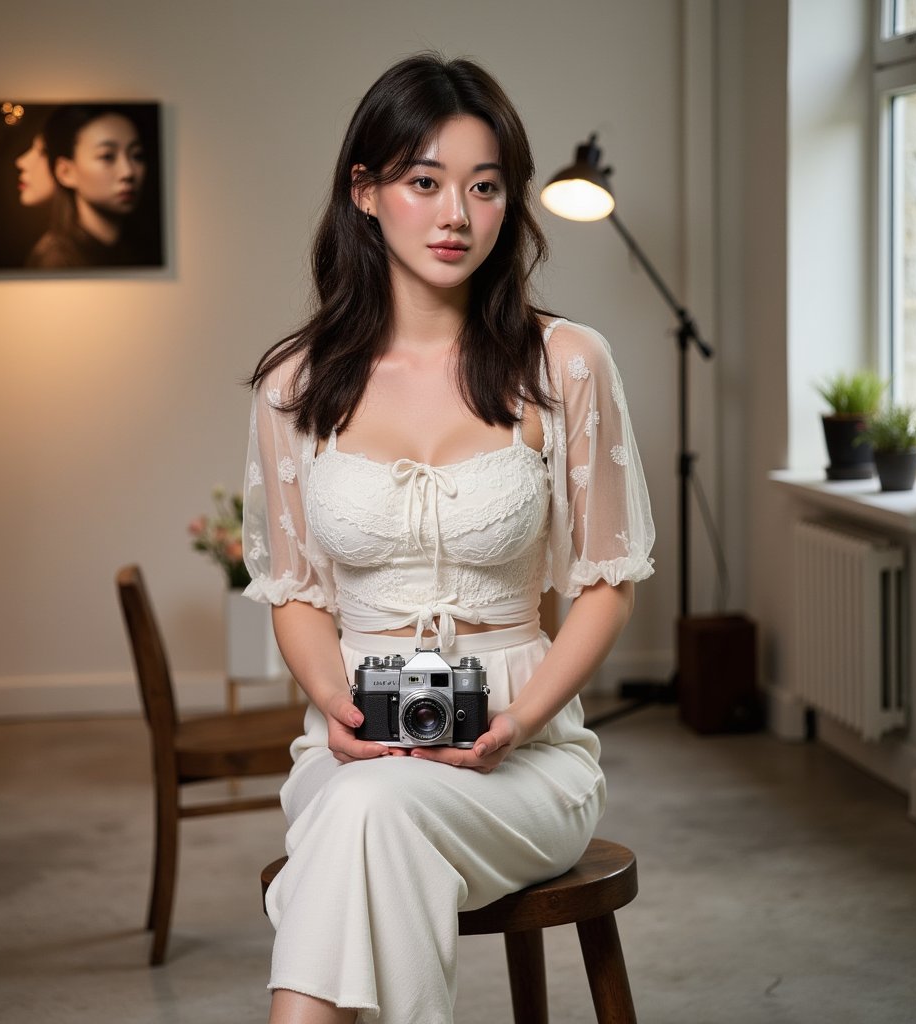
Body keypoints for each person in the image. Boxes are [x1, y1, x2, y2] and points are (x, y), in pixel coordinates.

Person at [242, 52, 655, 1024]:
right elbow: (295, 591)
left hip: (528, 753)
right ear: (367, 193)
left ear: (509, 202)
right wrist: (338, 709)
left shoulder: (568, 363)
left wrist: (517, 719)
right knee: (367, 806)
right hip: (351, 751)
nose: (455, 215)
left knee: (363, 829)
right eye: (423, 182)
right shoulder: (294, 385)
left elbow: (607, 584)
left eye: (483, 186)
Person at [26, 104, 147, 268]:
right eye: (107, 156)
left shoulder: (135, 251)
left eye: (137, 156)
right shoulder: (54, 260)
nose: (128, 172)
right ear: (66, 172)